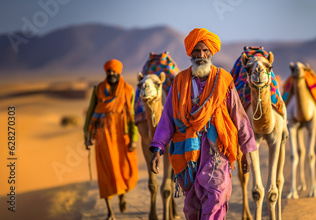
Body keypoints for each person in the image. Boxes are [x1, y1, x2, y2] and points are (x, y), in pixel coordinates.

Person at [149, 28, 257, 220]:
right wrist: (158, 150)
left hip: (217, 149)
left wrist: (247, 152)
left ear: (211, 52)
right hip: (187, 152)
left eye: (205, 50)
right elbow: (167, 118)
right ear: (190, 53)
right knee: (192, 205)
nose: (201, 55)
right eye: (197, 51)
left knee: (217, 194)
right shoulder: (179, 81)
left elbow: (239, 117)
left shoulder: (224, 80)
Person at [84, 59, 139, 220]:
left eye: (114, 71)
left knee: (125, 171)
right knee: (106, 173)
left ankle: (122, 194)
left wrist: (134, 138)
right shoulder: (98, 90)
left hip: (123, 137)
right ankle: (110, 212)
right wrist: (87, 136)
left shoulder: (128, 90)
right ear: (106, 72)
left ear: (119, 72)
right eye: (109, 71)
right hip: (103, 139)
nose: (111, 74)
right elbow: (90, 114)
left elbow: (132, 116)